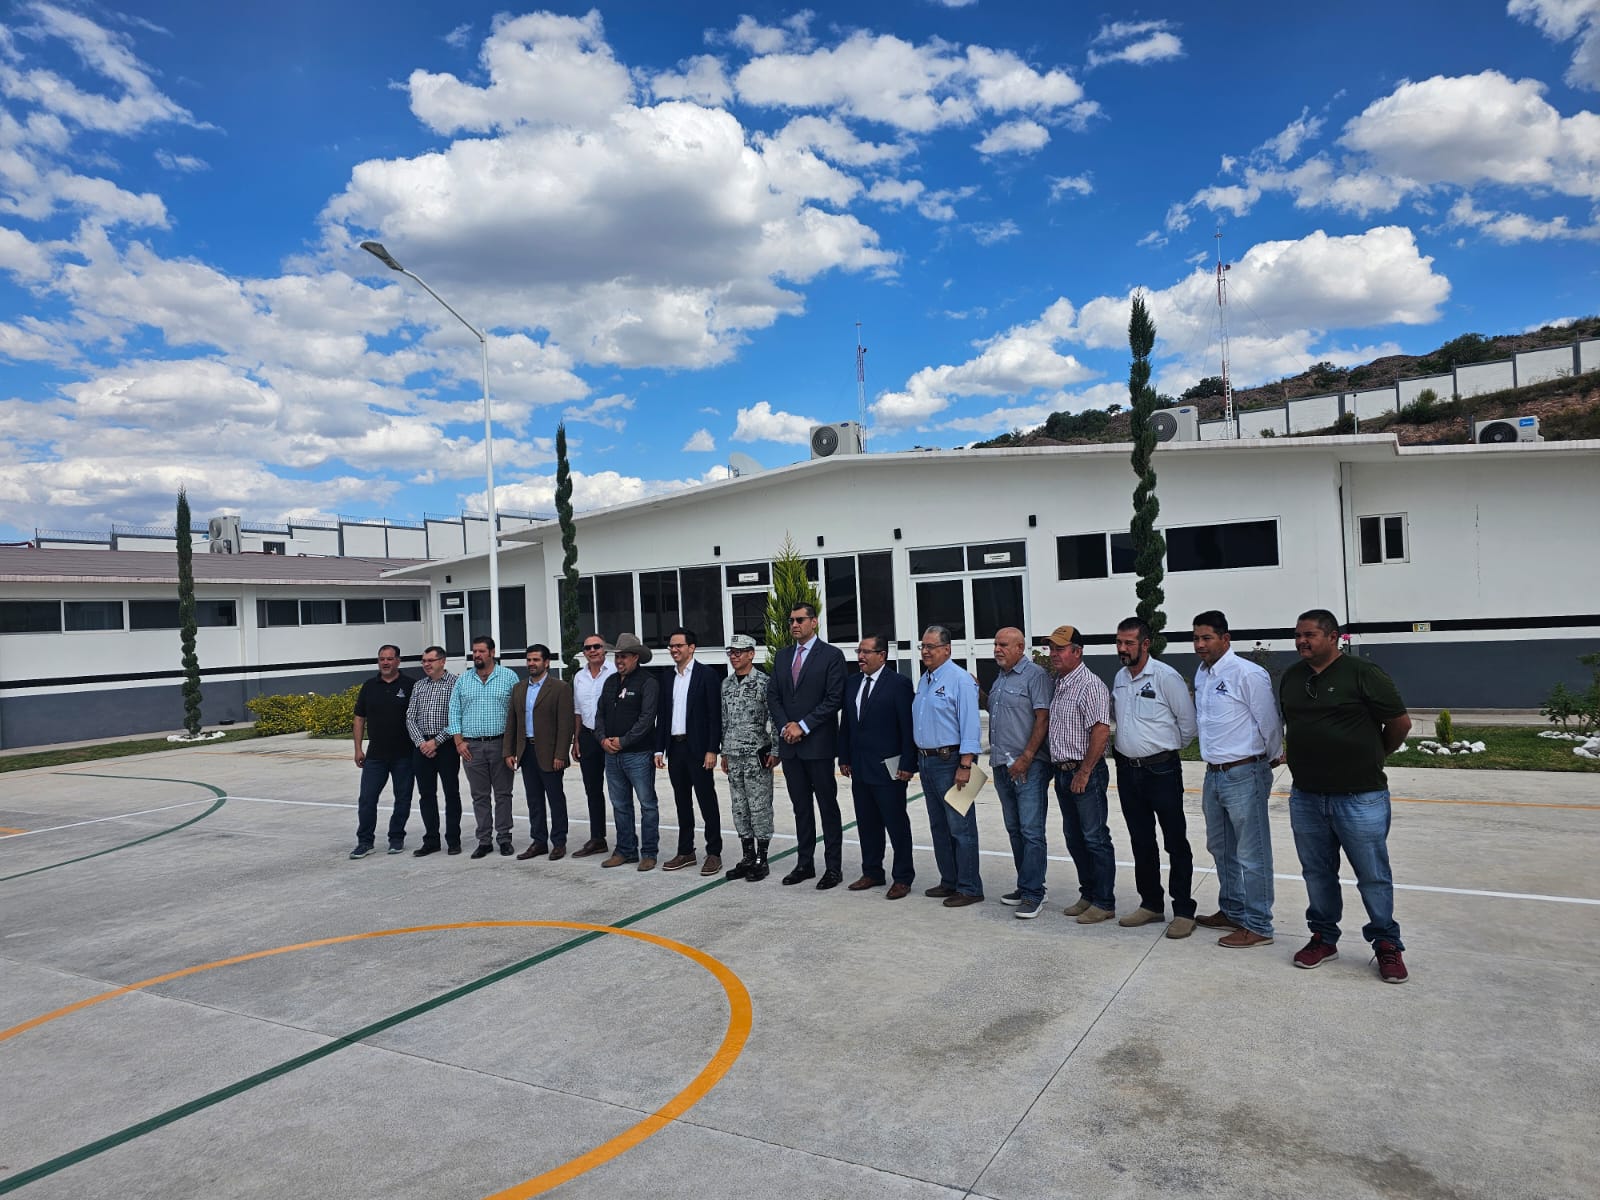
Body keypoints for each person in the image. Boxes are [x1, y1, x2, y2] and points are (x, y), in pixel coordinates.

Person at [1280, 609, 1413, 983]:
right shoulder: (1292, 676)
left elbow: (1400, 723)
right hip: (1307, 796)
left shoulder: (1362, 673)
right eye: (1298, 635)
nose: (1302, 641)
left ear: (1332, 636)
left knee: (1372, 875)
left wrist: (1374, 756)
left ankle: (1386, 943)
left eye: (1310, 635)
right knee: (1317, 873)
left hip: (1360, 797)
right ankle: (1323, 938)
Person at [1191, 610, 1282, 948]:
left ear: (1225, 639)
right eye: (1196, 638)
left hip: (1245, 772)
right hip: (1214, 774)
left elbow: (1269, 722)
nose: (1200, 645)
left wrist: (1270, 758)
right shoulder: (1203, 673)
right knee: (1221, 846)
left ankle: (1259, 924)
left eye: (1207, 638)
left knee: (1252, 852)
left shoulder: (1248, 673)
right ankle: (1232, 909)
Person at [1110, 617, 1200, 939]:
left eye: (1129, 643)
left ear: (1145, 644)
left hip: (1161, 771)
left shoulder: (1166, 677)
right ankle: (1150, 904)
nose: (1122, 649)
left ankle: (1184, 910)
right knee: (1141, 840)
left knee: (1175, 840)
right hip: (1127, 771)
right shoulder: (1120, 677)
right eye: (1119, 642)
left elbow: (1188, 725)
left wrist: (1163, 749)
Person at [767, 602, 847, 889]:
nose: (794, 625)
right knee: (801, 808)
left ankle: (833, 868)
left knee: (827, 807)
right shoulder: (782, 656)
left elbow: (834, 698)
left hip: (818, 746)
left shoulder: (832, 656)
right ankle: (805, 864)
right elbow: (773, 696)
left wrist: (803, 725)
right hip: (791, 747)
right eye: (791, 621)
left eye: (800, 620)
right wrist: (785, 727)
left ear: (814, 622)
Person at [838, 633, 918, 899]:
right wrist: (844, 757)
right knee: (867, 823)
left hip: (889, 768)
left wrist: (908, 763)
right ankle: (872, 871)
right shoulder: (852, 683)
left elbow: (907, 726)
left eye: (866, 652)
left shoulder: (898, 684)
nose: (860, 657)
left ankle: (903, 877)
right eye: (858, 652)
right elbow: (847, 724)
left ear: (882, 655)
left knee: (896, 824)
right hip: (860, 767)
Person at [1046, 624, 1116, 923]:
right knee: (1074, 837)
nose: (1054, 654)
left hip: (1084, 772)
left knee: (1094, 837)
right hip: (1063, 772)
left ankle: (1104, 901)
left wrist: (1085, 772)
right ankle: (1088, 894)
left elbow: (1101, 732)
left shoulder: (1090, 685)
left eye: (1060, 649)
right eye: (1052, 648)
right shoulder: (1060, 683)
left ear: (1077, 651)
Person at [912, 625, 984, 908]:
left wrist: (966, 763)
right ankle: (950, 880)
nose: (925, 652)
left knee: (961, 827)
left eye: (931, 647)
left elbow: (971, 724)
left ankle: (970, 887)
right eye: (923, 646)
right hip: (927, 761)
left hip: (952, 761)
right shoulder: (925, 680)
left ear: (947, 649)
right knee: (939, 826)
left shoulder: (960, 680)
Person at [988, 627, 1053, 919]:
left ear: (1020, 647)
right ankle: (1026, 883)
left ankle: (1034, 893)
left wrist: (1027, 757)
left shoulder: (1035, 676)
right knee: (1015, 829)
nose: (997, 649)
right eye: (995, 644)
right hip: (1002, 765)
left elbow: (1043, 718)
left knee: (1031, 831)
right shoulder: (1001, 678)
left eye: (1003, 644)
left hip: (1028, 766)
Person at [656, 627, 725, 876]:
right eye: (671, 646)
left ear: (691, 648)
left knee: (707, 801)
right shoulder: (667, 677)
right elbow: (663, 715)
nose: (674, 649)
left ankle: (714, 852)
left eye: (679, 646)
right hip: (675, 748)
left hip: (698, 749)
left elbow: (714, 715)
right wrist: (659, 749)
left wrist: (712, 749)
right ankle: (686, 851)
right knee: (681, 801)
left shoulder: (707, 675)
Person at [446, 634, 519, 859]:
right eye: (474, 651)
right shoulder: (463, 680)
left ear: (492, 653)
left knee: (503, 794)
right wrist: (458, 742)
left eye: (481, 651)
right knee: (480, 796)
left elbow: (517, 713)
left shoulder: (509, 677)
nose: (477, 655)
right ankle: (484, 840)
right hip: (472, 748)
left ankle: (504, 838)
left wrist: (512, 747)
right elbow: (454, 712)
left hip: (500, 745)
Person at [595, 632, 661, 871]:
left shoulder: (648, 682)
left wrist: (623, 741)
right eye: (617, 656)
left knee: (647, 804)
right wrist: (602, 739)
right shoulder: (610, 682)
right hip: (612, 755)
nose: (619, 660)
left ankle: (649, 853)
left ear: (636, 657)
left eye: (624, 656)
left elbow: (647, 719)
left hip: (638, 754)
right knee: (620, 804)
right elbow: (599, 714)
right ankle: (625, 850)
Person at [504, 644, 575, 861]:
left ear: (546, 662)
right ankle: (539, 841)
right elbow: (512, 722)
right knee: (534, 800)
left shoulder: (560, 688)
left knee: (555, 799)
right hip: (526, 751)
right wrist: (509, 751)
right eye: (529, 660)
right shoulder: (519, 689)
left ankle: (559, 842)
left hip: (550, 753)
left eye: (536, 660)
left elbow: (566, 725)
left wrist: (561, 754)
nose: (531, 664)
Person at [350, 644, 417, 859]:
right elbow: (359, 718)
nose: (385, 662)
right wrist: (358, 749)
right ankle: (365, 841)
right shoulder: (369, 686)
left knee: (402, 799)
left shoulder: (410, 685)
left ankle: (396, 838)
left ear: (398, 661)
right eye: (382, 659)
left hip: (404, 755)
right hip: (375, 756)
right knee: (367, 799)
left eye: (389, 658)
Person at [720, 633, 776, 881]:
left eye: (739, 652)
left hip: (756, 755)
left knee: (759, 806)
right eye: (731, 652)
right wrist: (724, 751)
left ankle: (762, 859)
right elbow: (725, 720)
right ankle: (747, 856)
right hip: (733, 754)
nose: (734, 656)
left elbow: (774, 719)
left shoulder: (764, 682)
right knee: (739, 807)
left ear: (751, 654)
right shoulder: (727, 684)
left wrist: (776, 751)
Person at [406, 645, 462, 856]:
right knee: (426, 795)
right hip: (422, 748)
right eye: (424, 661)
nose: (426, 664)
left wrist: (436, 742)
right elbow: (410, 717)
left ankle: (453, 840)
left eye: (431, 660)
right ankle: (431, 840)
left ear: (442, 661)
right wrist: (422, 743)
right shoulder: (419, 685)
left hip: (446, 746)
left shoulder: (455, 684)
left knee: (451, 793)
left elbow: (457, 717)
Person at [569, 633, 614, 858]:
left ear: (604, 649)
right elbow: (577, 711)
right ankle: (598, 839)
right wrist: (576, 739)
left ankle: (627, 841)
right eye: (588, 648)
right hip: (588, 737)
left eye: (597, 646)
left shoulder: (614, 671)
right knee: (592, 790)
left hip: (611, 737)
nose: (592, 650)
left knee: (619, 791)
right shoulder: (579, 677)